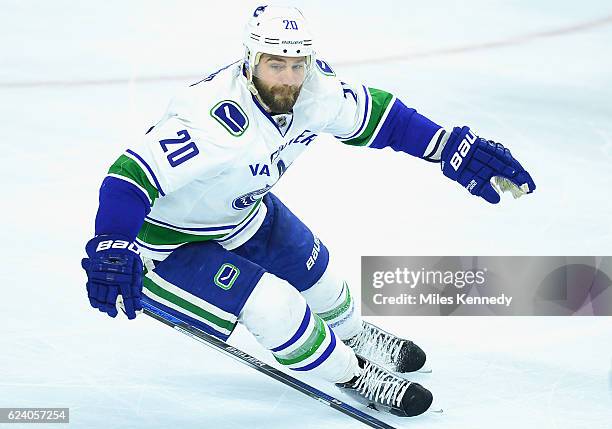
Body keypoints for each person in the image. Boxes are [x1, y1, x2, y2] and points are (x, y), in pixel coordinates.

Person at [80, 5, 535, 417]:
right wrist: (112, 245)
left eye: (297, 65)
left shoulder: (317, 89)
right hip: (170, 242)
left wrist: (450, 146)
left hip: (243, 213)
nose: (288, 78)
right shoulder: (210, 120)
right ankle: (353, 374)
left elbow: (386, 119)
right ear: (250, 60)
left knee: (320, 275)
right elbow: (129, 177)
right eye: (275, 65)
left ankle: (353, 334)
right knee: (276, 307)